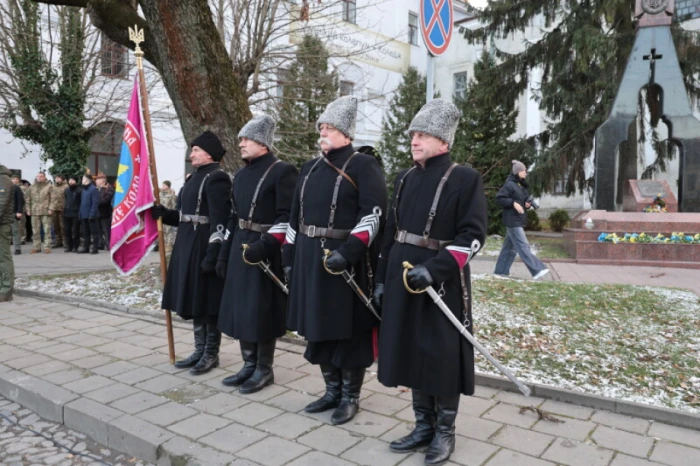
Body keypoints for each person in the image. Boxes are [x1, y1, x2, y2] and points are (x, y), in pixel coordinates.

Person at [373, 99, 488, 465]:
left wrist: (436, 270)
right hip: (402, 278)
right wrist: (380, 280)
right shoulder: (405, 177)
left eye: (422, 134)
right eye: (413, 134)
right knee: (410, 351)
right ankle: (423, 426)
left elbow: (473, 236)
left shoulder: (465, 178)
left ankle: (444, 433)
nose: (414, 140)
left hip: (442, 284)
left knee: (439, 356)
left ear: (443, 141)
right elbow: (391, 230)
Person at [282, 96, 387, 425]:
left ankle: (350, 396)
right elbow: (293, 216)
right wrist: (288, 255)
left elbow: (374, 215)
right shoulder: (310, 167)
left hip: (345, 260)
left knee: (348, 330)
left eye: (329, 128)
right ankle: (331, 390)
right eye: (321, 128)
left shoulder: (362, 165)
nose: (322, 133)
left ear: (346, 133)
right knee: (318, 327)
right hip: (309, 258)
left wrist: (350, 252)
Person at [216, 115, 298, 394]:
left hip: (265, 249)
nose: (240, 144)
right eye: (240, 138)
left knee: (260, 311)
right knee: (241, 308)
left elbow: (288, 217)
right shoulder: (240, 174)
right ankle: (248, 364)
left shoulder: (282, 171)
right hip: (240, 243)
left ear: (262, 143)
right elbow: (233, 216)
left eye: (246, 139)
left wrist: (265, 246)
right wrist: (224, 253)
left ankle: (264, 369)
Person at [152, 130, 232, 375]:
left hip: (204, 245)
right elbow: (184, 216)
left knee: (207, 300)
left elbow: (220, 219)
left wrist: (214, 252)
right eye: (193, 149)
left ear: (209, 154)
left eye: (196, 150)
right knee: (196, 299)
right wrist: (165, 215)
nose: (192, 153)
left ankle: (211, 353)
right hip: (187, 243)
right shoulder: (192, 178)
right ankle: (199, 350)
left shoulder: (218, 178)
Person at [493, 161, 549, 280]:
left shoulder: (520, 185)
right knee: (523, 246)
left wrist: (526, 205)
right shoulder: (509, 185)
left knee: (509, 249)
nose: (526, 173)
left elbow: (520, 201)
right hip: (512, 221)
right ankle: (538, 269)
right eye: (523, 171)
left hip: (517, 220)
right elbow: (499, 199)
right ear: (518, 172)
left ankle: (500, 272)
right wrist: (513, 203)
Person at [25, 172, 55, 254]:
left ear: (45, 177)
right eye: (38, 176)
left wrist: (51, 208)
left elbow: (53, 199)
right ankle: (36, 247)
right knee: (35, 230)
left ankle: (47, 247)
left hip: (46, 211)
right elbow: (27, 199)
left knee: (47, 229)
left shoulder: (49, 186)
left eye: (41, 176)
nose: (39, 178)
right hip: (34, 211)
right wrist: (28, 210)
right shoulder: (32, 187)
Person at [0, 164, 15, 302]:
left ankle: (6, 290)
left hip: (2, 224)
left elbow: (2, 202)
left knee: (3, 257)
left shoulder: (3, 179)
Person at [78, 174, 100, 254]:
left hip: (91, 215)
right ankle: (86, 247)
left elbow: (95, 203)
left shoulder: (93, 189)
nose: (82, 180)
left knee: (94, 232)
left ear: (87, 180)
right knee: (85, 232)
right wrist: (80, 213)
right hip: (84, 214)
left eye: (83, 179)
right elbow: (82, 203)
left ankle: (95, 248)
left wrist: (92, 214)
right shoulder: (84, 190)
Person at [96, 172, 115, 250]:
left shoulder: (109, 188)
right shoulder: (97, 188)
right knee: (99, 230)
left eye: (97, 179)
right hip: (98, 212)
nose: (96, 181)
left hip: (106, 213)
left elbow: (105, 200)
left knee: (106, 230)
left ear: (102, 180)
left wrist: (95, 202)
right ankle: (100, 244)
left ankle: (109, 244)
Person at [64, 175, 82, 253]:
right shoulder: (66, 190)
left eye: (72, 180)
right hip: (67, 213)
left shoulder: (79, 190)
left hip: (76, 213)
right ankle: (69, 246)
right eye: (69, 180)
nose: (70, 182)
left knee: (75, 231)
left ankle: (76, 246)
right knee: (67, 231)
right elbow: (66, 199)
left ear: (76, 181)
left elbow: (81, 202)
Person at [159, 181, 177, 252]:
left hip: (168, 215)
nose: (163, 186)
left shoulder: (171, 195)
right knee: (162, 231)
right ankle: (163, 245)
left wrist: (172, 215)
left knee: (168, 231)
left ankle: (169, 245)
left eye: (165, 185)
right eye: (162, 185)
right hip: (161, 215)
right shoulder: (160, 194)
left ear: (168, 186)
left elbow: (173, 205)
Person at [51, 175, 68, 249]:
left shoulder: (66, 187)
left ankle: (65, 241)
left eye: (58, 178)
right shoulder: (52, 187)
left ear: (62, 179)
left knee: (63, 226)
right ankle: (58, 241)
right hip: (54, 209)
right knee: (55, 226)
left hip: (62, 209)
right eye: (56, 178)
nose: (57, 179)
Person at [10, 175, 24, 255]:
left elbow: (20, 201)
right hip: (4, 213)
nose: (14, 180)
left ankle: (17, 248)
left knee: (15, 231)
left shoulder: (16, 188)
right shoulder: (3, 187)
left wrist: (19, 211)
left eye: (16, 179)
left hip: (13, 212)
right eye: (13, 179)